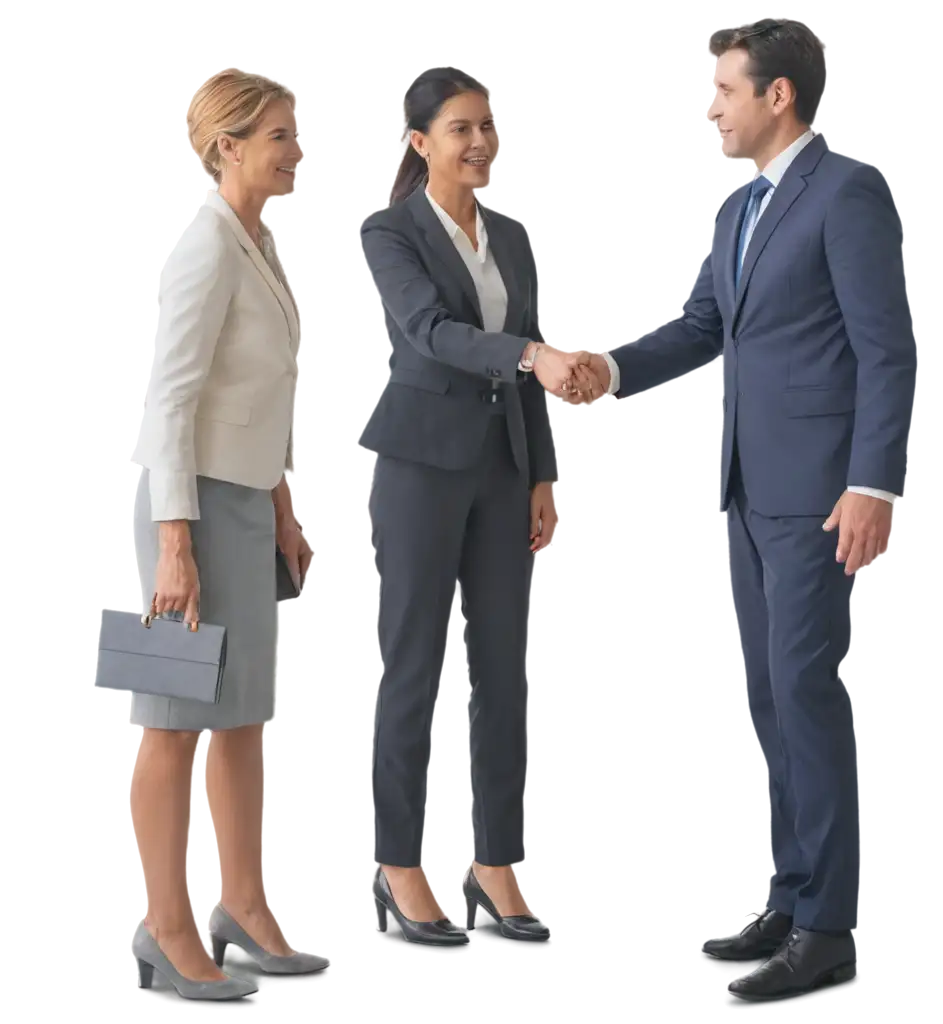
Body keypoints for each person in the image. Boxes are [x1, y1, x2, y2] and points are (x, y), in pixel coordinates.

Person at [566, 21, 915, 1002]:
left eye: (723, 89)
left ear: (777, 98)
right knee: (769, 700)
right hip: (744, 487)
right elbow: (702, 326)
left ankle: (828, 927)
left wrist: (870, 480)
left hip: (814, 493)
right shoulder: (738, 208)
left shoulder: (844, 194)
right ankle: (789, 894)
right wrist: (615, 367)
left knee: (806, 692)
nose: (708, 107)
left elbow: (883, 349)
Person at [354, 64, 577, 949]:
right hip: (416, 468)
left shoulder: (512, 235)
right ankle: (400, 864)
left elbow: (534, 357)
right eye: (459, 129)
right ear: (421, 143)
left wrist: (544, 471)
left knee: (502, 672)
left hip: (501, 470)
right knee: (412, 668)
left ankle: (496, 864)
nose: (479, 142)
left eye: (488, 126)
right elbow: (433, 335)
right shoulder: (388, 231)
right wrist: (530, 354)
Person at [125, 67, 330, 1003]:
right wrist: (175, 543)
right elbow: (166, 402)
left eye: (295, 134)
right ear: (228, 147)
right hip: (183, 511)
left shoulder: (258, 242)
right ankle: (166, 928)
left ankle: (242, 909)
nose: (296, 152)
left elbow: (258, 394)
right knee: (167, 725)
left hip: (244, 506)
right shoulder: (201, 246)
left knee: (242, 715)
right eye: (279, 136)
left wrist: (284, 506)